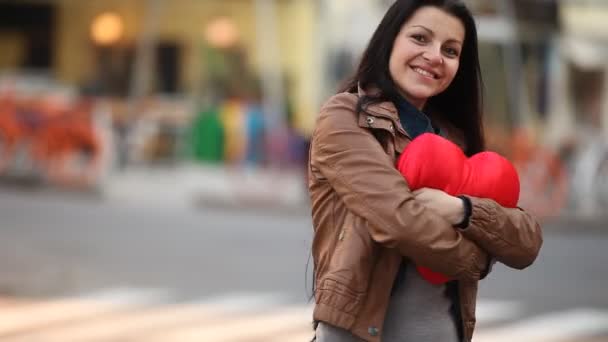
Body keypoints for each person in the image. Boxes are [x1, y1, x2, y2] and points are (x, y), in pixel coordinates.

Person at [307, 1, 543, 341]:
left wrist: (463, 210)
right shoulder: (345, 117)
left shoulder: (457, 141)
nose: (435, 56)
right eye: (420, 38)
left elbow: (528, 240)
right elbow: (398, 220)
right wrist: (480, 258)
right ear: (389, 40)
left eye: (450, 50)